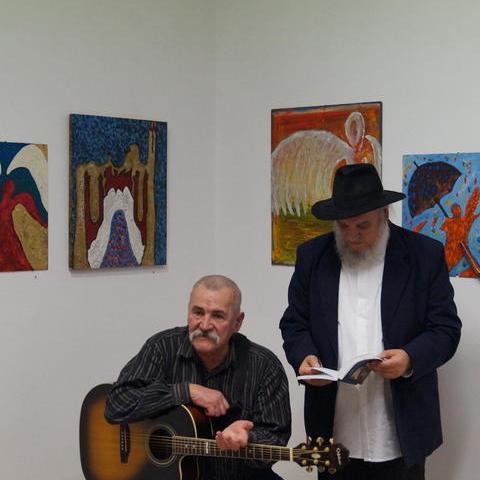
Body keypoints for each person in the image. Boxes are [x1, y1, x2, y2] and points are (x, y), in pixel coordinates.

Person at [280, 164, 461, 480]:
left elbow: (445, 329)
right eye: (344, 226)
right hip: (333, 431)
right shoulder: (313, 256)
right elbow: (294, 323)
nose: (352, 235)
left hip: (400, 428)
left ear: (384, 213)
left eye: (363, 225)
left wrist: (409, 359)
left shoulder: (423, 255)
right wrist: (304, 358)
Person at [105, 274, 291, 480]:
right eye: (198, 312)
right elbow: (116, 405)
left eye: (218, 316)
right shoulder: (162, 348)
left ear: (237, 322)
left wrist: (247, 437)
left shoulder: (264, 366)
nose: (204, 325)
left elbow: (276, 439)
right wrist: (186, 391)